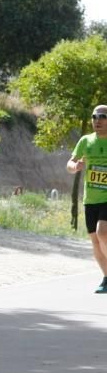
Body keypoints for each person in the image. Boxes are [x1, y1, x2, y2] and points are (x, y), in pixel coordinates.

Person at [66, 104, 107, 294]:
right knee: (95, 240)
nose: (97, 120)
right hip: (91, 198)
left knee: (102, 232)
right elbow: (70, 162)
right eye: (94, 116)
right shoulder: (85, 140)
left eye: (102, 116)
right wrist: (74, 167)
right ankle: (106, 278)